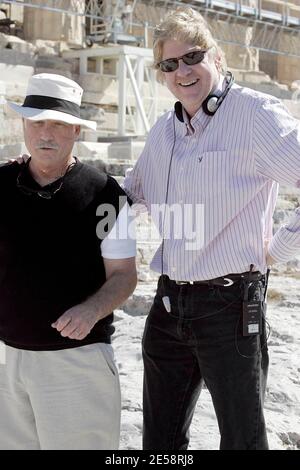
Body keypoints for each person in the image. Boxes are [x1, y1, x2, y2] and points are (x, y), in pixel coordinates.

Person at [123, 7, 300, 450]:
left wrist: (276, 250)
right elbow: (130, 194)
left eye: (191, 58)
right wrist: (50, 173)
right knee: (159, 445)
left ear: (217, 58)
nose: (181, 71)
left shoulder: (256, 115)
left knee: (243, 442)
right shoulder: (164, 130)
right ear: (161, 73)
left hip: (231, 306)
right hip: (167, 305)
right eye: (169, 64)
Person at [0, 73, 137, 450]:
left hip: (76, 363)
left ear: (76, 131)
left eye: (58, 124)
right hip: (5, 361)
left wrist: (91, 310)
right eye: (37, 122)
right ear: (24, 125)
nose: (46, 133)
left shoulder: (105, 193)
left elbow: (124, 275)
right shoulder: (1, 183)